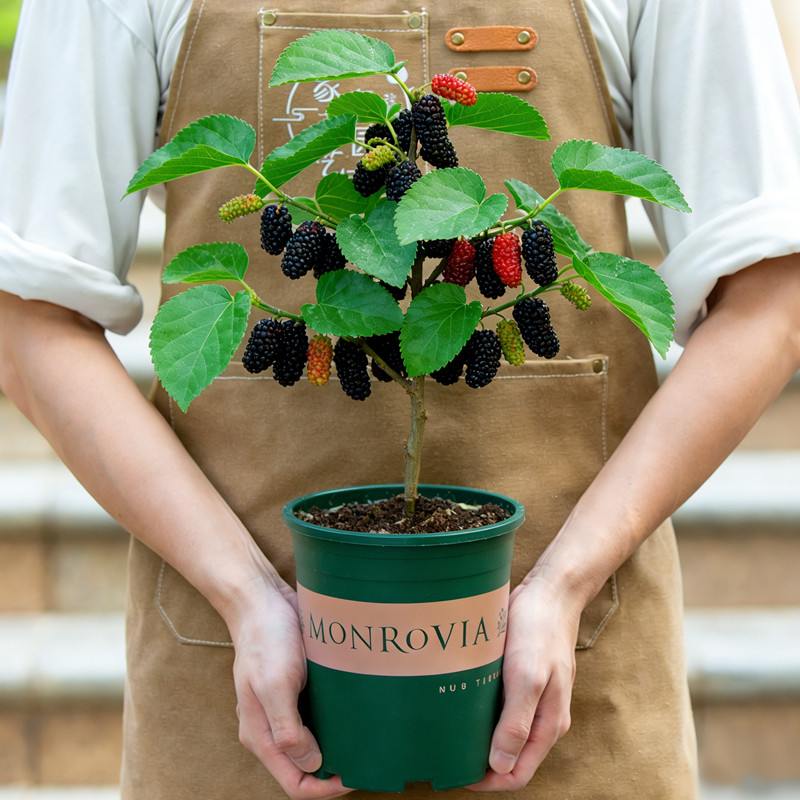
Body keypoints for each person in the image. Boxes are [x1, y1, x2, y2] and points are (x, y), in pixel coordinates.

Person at [1, 1, 799, 798]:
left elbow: (773, 297)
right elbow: (25, 322)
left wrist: (564, 584)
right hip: (242, 680)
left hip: (576, 671)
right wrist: (244, 595)